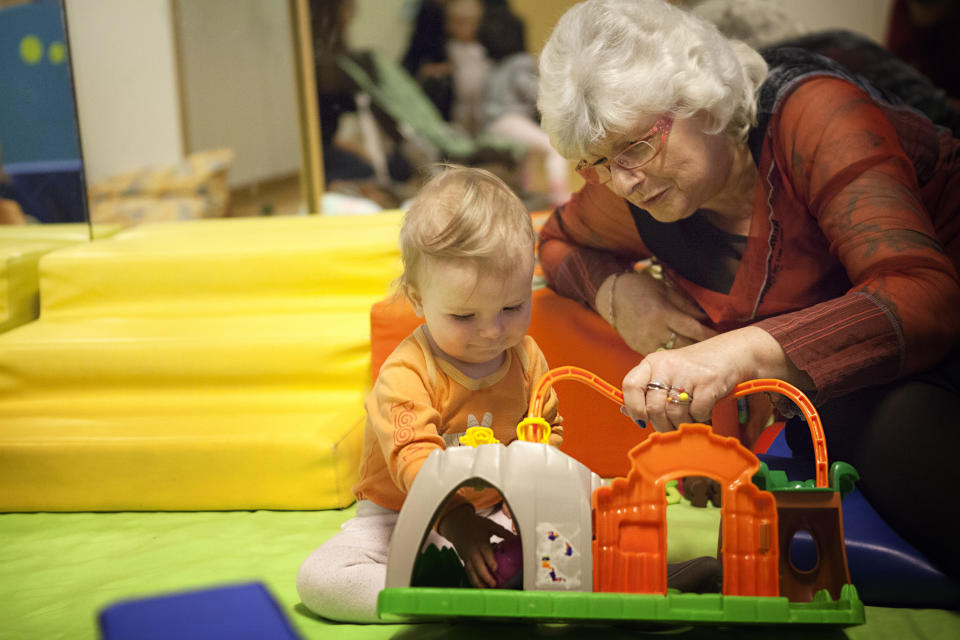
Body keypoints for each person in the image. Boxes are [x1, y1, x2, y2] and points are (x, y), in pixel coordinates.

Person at [536, 0, 960, 579]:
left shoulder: (813, 115)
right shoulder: (630, 181)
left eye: (636, 147)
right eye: (597, 163)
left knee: (877, 427)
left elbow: (926, 296)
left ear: (701, 98)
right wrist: (618, 295)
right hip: (861, 389)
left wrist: (736, 353)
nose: (623, 182)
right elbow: (556, 242)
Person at [296, 165, 563, 622]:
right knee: (320, 578)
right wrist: (459, 523)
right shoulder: (406, 372)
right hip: (397, 519)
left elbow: (549, 430)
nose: (492, 332)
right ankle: (437, 597)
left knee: (575, 541)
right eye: (464, 316)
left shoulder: (528, 358)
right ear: (418, 301)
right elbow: (414, 461)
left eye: (512, 307)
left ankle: (476, 584)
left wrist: (529, 494)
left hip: (494, 515)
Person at [478, 6, 572, 206]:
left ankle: (522, 197)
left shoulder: (492, 67)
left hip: (491, 124)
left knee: (523, 156)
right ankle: (560, 197)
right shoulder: (520, 61)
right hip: (510, 120)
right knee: (553, 148)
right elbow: (530, 91)